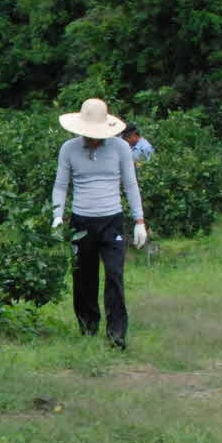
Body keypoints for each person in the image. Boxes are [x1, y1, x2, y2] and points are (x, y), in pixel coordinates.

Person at [50, 98, 146, 349]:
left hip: (112, 220)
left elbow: (130, 184)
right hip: (81, 221)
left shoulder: (120, 148)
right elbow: (61, 185)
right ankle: (88, 328)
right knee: (84, 276)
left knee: (114, 275)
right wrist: (57, 216)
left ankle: (116, 334)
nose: (94, 139)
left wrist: (139, 220)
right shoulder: (69, 149)